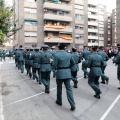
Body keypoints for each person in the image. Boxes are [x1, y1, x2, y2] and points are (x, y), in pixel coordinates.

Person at [53, 43, 76, 111]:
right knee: (69, 89)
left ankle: (59, 101)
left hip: (60, 73)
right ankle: (72, 104)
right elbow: (73, 63)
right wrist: (68, 67)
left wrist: (51, 62)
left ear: (59, 47)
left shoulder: (56, 55)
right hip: (67, 72)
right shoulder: (69, 54)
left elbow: (54, 65)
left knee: (59, 88)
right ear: (65, 47)